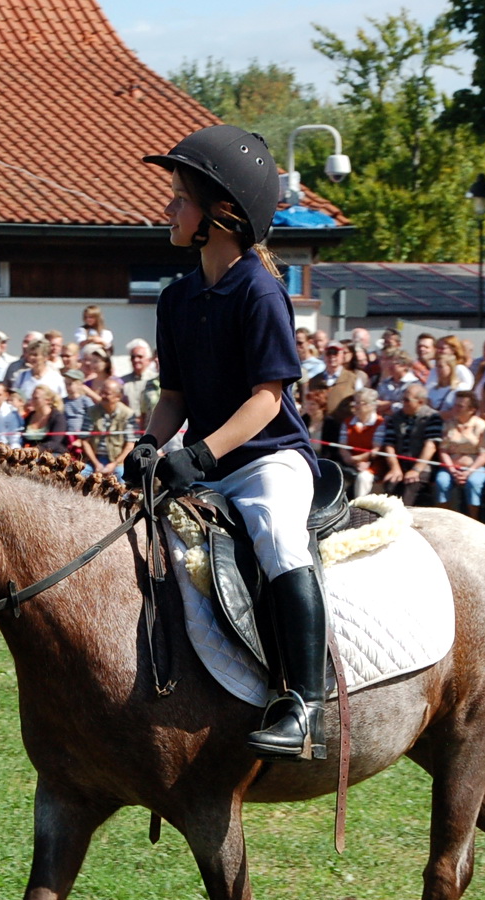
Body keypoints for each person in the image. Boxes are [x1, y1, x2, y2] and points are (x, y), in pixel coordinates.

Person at [137, 124, 326, 760]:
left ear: (220, 215)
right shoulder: (177, 298)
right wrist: (149, 444)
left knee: (275, 534)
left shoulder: (261, 290)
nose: (167, 208)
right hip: (205, 460)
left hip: (268, 459)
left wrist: (201, 453)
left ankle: (304, 704)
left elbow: (268, 398)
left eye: (178, 198)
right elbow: (174, 399)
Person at [375, 383, 440, 506]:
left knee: (409, 489)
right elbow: (389, 444)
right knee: (391, 485)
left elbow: (430, 446)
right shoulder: (396, 417)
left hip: (422, 467)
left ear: (420, 402)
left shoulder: (432, 417)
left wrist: (416, 470)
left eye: (406, 400)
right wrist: (395, 467)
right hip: (400, 464)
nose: (402, 403)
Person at [432, 390, 485, 512]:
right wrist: (453, 470)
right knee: (442, 481)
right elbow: (443, 450)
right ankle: (444, 517)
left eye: (460, 406)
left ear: (472, 409)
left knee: (474, 483)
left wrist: (468, 472)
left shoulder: (481, 426)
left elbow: (483, 455)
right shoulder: (448, 424)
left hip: (474, 466)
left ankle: (474, 519)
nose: (455, 408)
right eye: (455, 405)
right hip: (451, 467)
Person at [84, 377, 137, 476]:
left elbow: (130, 445)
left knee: (123, 477)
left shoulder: (128, 414)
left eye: (107, 393)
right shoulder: (91, 411)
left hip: (118, 461)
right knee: (80, 474)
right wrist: (96, 464)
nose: (102, 396)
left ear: (118, 397)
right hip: (94, 460)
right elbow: (85, 440)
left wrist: (114, 464)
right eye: (102, 392)